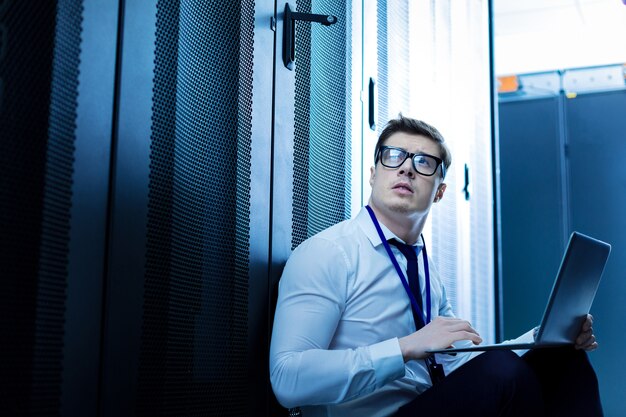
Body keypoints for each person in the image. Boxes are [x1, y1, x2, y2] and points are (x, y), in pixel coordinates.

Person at [269, 115, 602, 417]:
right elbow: (287, 378)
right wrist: (403, 349)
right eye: (393, 156)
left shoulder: (426, 271)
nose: (406, 168)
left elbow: (460, 365)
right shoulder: (328, 253)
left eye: (424, 162)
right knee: (501, 371)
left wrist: (545, 337)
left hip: (431, 405)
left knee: (563, 359)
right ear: (372, 175)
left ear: (439, 192)